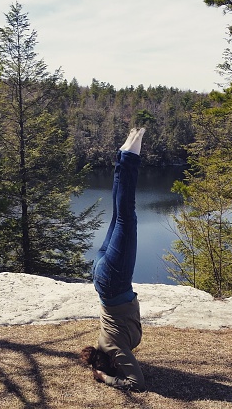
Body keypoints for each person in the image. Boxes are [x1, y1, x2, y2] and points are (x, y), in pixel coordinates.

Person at [80, 127, 146, 392]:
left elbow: (137, 384)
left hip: (115, 281)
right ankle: (123, 156)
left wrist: (104, 377)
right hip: (102, 279)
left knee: (126, 215)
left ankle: (129, 157)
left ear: (112, 364)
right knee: (119, 215)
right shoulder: (105, 345)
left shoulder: (114, 350)